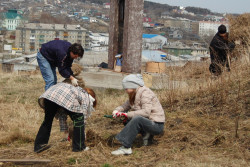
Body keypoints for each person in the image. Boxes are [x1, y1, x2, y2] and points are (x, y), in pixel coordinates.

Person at [111, 74, 165, 155]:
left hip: (156, 124)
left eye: (126, 87)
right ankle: (147, 135)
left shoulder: (145, 93)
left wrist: (126, 114)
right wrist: (116, 110)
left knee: (136, 119)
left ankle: (126, 147)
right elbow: (125, 106)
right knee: (127, 119)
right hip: (148, 122)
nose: (125, 89)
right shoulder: (134, 94)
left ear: (133, 85)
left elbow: (146, 113)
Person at [34, 83, 97, 153]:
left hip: (50, 95)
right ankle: (79, 147)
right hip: (60, 95)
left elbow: (62, 113)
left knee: (47, 120)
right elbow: (82, 117)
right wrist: (82, 134)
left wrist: (65, 130)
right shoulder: (86, 96)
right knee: (79, 119)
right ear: (92, 98)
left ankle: (39, 145)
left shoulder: (76, 91)